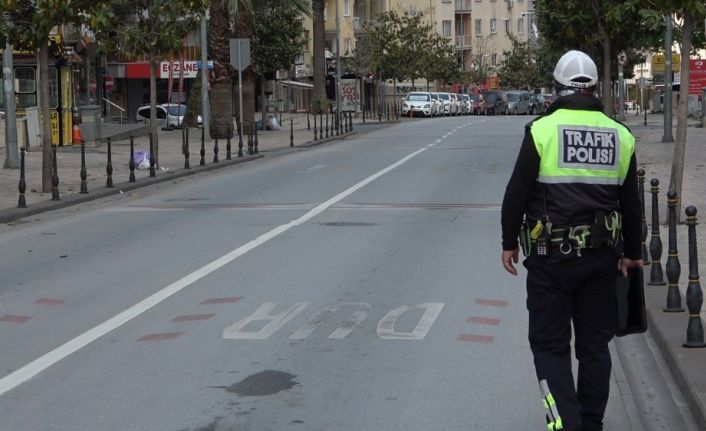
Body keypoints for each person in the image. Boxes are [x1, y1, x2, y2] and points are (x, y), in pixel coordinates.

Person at [500, 50, 643, 431]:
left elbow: (516, 192)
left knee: (549, 346)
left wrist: (508, 242)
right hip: (602, 260)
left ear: (557, 88)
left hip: (550, 261)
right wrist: (633, 252)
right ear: (595, 87)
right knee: (595, 346)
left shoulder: (541, 131)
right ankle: (591, 423)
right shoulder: (621, 135)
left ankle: (565, 423)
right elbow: (631, 202)